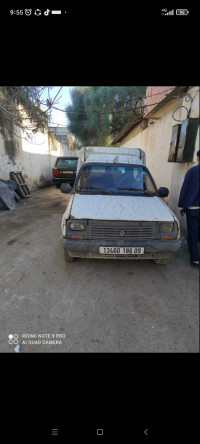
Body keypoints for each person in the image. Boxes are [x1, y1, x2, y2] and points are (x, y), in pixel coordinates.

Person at [178, 150, 200, 268]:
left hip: (193, 208)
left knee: (193, 233)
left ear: (198, 158)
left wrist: (181, 205)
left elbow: (185, 188)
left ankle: (195, 260)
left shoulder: (192, 171)